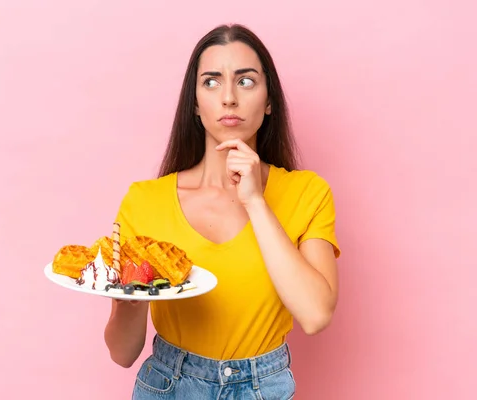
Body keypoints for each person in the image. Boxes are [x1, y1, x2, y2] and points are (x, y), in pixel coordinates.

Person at [104, 23, 341, 400]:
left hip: (263, 388)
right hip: (169, 385)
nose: (228, 97)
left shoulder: (306, 193)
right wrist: (129, 301)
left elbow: (315, 315)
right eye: (211, 82)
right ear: (195, 104)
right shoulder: (144, 201)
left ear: (268, 101)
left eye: (245, 81)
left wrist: (255, 202)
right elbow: (122, 352)